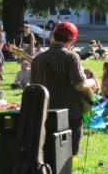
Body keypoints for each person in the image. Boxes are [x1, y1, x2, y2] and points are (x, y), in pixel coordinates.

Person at [31, 22, 97, 155]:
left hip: (45, 113)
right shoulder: (71, 57)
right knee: (67, 157)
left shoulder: (37, 59)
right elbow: (80, 85)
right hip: (69, 114)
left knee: (48, 154)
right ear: (72, 40)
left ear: (53, 37)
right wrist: (92, 81)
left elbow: (34, 87)